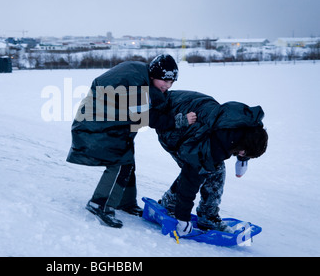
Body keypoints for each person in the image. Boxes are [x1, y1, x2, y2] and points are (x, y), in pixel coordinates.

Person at [67, 54, 196, 228]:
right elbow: (145, 117)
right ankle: (99, 204)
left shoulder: (141, 74)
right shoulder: (136, 83)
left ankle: (124, 202)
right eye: (164, 80)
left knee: (127, 160)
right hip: (96, 124)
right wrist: (179, 121)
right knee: (119, 162)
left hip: (109, 123)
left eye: (171, 82)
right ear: (153, 75)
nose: (167, 85)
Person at [156, 90, 268, 236]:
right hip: (172, 123)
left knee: (213, 167)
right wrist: (182, 218)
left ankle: (206, 214)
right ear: (242, 146)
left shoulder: (248, 123)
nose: (240, 155)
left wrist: (243, 161)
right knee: (207, 168)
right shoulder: (213, 145)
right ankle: (174, 204)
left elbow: (249, 140)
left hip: (191, 106)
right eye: (242, 154)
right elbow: (190, 178)